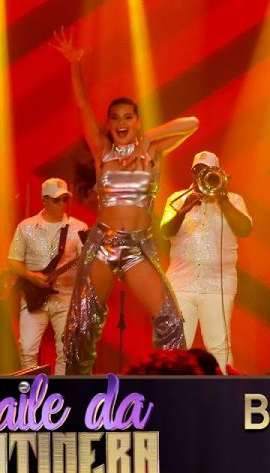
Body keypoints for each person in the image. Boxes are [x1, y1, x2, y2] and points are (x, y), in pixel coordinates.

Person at [53, 29, 198, 374]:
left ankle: (170, 392)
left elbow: (192, 123)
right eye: (115, 118)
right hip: (103, 243)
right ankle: (76, 393)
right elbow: (82, 106)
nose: (121, 123)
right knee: (81, 327)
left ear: (137, 122)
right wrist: (75, 64)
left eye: (128, 117)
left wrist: (148, 139)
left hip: (137, 247)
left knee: (170, 320)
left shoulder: (153, 153)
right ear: (108, 125)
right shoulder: (102, 152)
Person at [161, 151, 252, 372]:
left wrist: (222, 198)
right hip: (180, 284)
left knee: (219, 345)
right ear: (192, 173)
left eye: (208, 171)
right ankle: (175, 390)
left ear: (218, 172)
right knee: (177, 346)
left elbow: (245, 229)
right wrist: (184, 208)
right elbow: (165, 231)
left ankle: (224, 390)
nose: (202, 175)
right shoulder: (177, 198)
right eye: (198, 171)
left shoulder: (233, 199)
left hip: (218, 284)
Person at [7, 178, 88, 374]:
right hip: (34, 296)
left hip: (66, 297)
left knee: (65, 351)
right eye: (56, 200)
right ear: (44, 200)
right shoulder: (26, 227)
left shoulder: (79, 228)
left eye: (64, 199)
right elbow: (13, 261)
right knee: (27, 349)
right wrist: (31, 276)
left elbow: (87, 264)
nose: (61, 204)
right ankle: (32, 390)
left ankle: (60, 390)